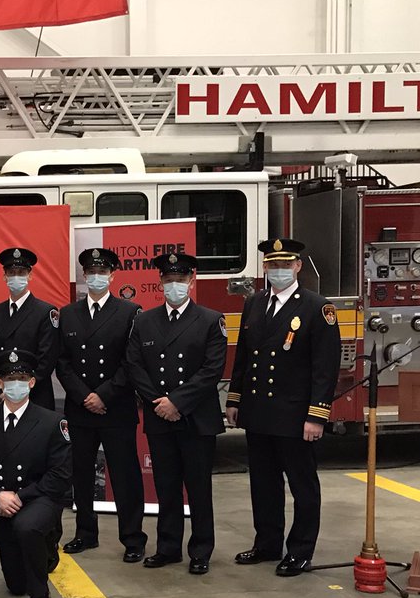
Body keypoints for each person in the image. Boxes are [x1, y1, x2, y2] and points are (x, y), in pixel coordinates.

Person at [227, 238, 342, 577]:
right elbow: (244, 356)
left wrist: (316, 415)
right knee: (263, 483)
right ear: (264, 268)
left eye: (285, 265)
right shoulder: (254, 303)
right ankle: (267, 543)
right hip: (259, 411)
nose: (278, 270)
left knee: (302, 485)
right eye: (272, 265)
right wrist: (235, 399)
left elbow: (325, 368)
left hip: (295, 415)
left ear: (297, 266)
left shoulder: (317, 307)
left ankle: (300, 551)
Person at [124, 252, 226, 575]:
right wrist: (159, 402)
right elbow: (134, 365)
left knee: (198, 488)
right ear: (160, 283)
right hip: (159, 416)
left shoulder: (211, 319)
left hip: (196, 418)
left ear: (191, 282)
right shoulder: (144, 321)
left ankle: (201, 550)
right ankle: (168, 547)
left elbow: (212, 369)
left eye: (180, 279)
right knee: (166, 487)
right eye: (169, 280)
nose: (174, 285)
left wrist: (177, 402)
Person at [56, 248, 148, 562]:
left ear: (112, 276)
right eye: (91, 272)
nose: (96, 277)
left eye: (102, 272)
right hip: (80, 408)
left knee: (125, 475)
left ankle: (133, 537)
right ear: (84, 275)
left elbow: (131, 361)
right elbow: (62, 362)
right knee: (81, 474)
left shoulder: (130, 312)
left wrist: (104, 395)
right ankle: (85, 533)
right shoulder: (68, 313)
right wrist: (85, 396)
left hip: (116, 407)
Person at [0, 349, 72, 598]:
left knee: (27, 527)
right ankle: (40, 551)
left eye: (23, 379)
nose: (16, 384)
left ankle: (40, 594)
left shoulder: (52, 421)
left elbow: (59, 474)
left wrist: (20, 496)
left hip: (39, 497)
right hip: (2, 502)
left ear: (32, 382)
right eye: (10, 379)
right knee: (15, 585)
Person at [0, 247, 59, 411]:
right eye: (11, 273)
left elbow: (46, 361)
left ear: (30, 275)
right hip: (2, 397)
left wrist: (21, 391)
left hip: (36, 397)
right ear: (4, 276)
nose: (16, 277)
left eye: (21, 272)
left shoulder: (45, 312)